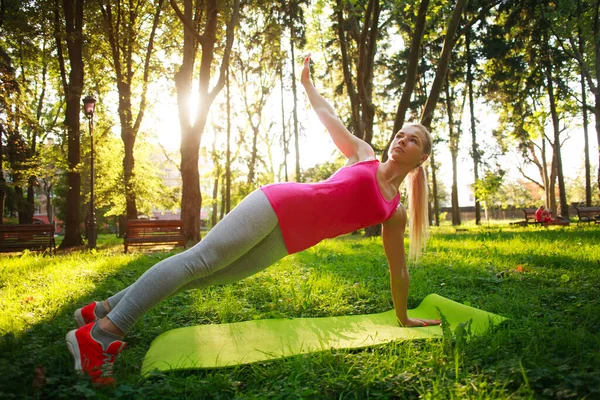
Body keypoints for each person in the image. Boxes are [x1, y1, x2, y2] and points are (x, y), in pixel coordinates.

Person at [66, 55, 441, 385]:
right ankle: (100, 334)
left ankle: (100, 311)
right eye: (400, 134)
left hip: (288, 241)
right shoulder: (364, 155)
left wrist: (404, 317)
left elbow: (398, 270)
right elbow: (329, 116)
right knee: (198, 261)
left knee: (206, 276)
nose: (400, 141)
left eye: (411, 141)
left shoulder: (395, 212)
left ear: (420, 158)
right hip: (277, 204)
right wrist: (307, 84)